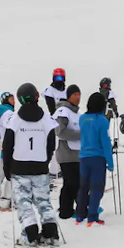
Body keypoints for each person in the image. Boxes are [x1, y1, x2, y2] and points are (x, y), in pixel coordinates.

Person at [3, 83, 60, 246]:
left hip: (19, 167)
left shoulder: (14, 120)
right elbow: (51, 144)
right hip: (40, 166)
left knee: (24, 202)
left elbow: (8, 145)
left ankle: (30, 234)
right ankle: (50, 233)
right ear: (36, 96)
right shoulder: (46, 119)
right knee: (43, 201)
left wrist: (7, 167)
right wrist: (45, 160)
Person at [77, 92, 114, 225]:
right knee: (97, 187)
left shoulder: (82, 118)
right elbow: (105, 142)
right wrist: (110, 163)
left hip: (83, 157)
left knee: (83, 187)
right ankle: (92, 215)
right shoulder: (102, 121)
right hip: (98, 158)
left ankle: (80, 214)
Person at [53, 84, 82, 219]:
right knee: (72, 182)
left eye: (79, 94)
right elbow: (61, 132)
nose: (78, 97)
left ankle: (67, 210)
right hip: (66, 154)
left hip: (77, 154)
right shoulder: (62, 111)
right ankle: (69, 210)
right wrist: (81, 134)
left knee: (71, 184)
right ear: (68, 96)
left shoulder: (76, 112)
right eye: (75, 95)